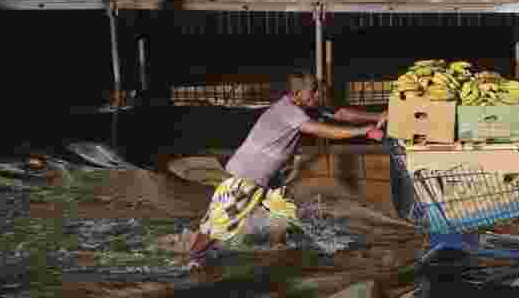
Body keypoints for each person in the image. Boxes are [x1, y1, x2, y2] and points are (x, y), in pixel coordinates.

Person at [156, 71, 387, 261]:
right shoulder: (289, 111)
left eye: (318, 89)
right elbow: (320, 130)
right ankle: (185, 264)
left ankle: (301, 252)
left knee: (287, 215)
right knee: (216, 229)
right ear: (296, 94)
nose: (319, 93)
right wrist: (363, 131)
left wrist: (378, 115)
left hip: (268, 181)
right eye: (313, 90)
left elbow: (341, 113)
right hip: (247, 179)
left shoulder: (305, 106)